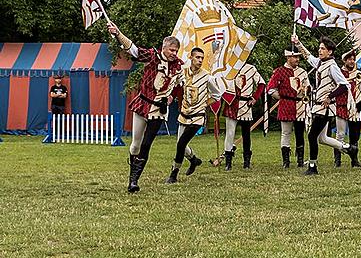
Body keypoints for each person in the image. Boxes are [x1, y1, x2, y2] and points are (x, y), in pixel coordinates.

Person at [107, 21, 183, 193]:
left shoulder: (179, 65)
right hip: (143, 104)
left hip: (159, 109)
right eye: (171, 50)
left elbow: (179, 84)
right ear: (164, 48)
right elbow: (133, 49)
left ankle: (134, 181)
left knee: (146, 145)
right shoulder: (152, 55)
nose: (174, 53)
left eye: (176, 51)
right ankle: (131, 174)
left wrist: (172, 95)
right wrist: (117, 33)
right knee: (135, 145)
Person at [291, 34, 359, 175]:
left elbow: (344, 85)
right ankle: (349, 148)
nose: (320, 51)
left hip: (325, 108)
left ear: (330, 51)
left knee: (311, 136)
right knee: (322, 138)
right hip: (319, 106)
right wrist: (298, 43)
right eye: (319, 48)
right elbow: (307, 56)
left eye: (323, 49)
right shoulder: (320, 63)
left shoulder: (333, 67)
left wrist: (330, 96)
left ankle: (312, 166)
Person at [165, 47, 223, 184]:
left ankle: (174, 174)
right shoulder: (183, 73)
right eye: (197, 57)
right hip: (184, 114)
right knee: (181, 144)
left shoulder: (208, 77)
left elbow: (217, 95)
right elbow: (175, 85)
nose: (200, 60)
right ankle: (194, 160)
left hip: (198, 116)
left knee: (181, 144)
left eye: (202, 58)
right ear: (191, 58)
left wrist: (204, 104)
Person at [267, 48, 311, 169]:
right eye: (295, 57)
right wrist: (281, 97)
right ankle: (286, 161)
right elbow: (270, 89)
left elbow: (309, 88)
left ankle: (300, 161)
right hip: (286, 105)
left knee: (300, 134)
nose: (297, 59)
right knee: (286, 133)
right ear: (288, 57)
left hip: (300, 105)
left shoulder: (303, 72)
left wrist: (305, 90)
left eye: (298, 57)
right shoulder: (279, 71)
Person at [221, 61, 265, 170]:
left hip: (245, 105)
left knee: (246, 135)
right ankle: (228, 162)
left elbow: (261, 83)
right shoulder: (228, 67)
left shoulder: (251, 68)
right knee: (230, 133)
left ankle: (246, 161)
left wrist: (255, 97)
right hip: (232, 103)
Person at [333, 49, 361, 168]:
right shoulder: (338, 73)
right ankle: (337, 161)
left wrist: (359, 102)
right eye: (349, 59)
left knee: (354, 135)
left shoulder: (358, 73)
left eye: (353, 59)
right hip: (342, 106)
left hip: (355, 108)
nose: (352, 61)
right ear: (345, 60)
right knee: (340, 134)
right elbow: (335, 88)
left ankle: (354, 160)